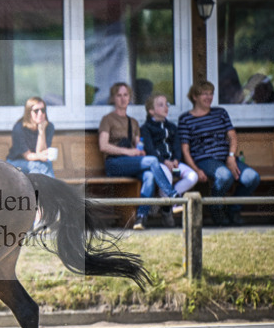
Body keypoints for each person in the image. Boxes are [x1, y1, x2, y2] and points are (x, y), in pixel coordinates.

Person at [98, 82, 182, 230]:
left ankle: (141, 218)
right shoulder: (108, 119)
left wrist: (139, 151)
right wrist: (128, 152)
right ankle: (172, 195)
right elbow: (103, 146)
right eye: (119, 95)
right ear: (113, 99)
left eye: (126, 95)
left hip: (131, 163)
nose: (123, 99)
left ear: (130, 98)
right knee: (152, 160)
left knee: (149, 175)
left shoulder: (133, 122)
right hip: (114, 164)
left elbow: (139, 146)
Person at [178, 80, 260, 226]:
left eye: (211, 94)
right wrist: (196, 170)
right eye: (205, 94)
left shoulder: (220, 113)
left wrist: (231, 157)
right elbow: (185, 149)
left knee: (252, 178)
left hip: (226, 157)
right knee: (224, 176)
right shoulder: (186, 119)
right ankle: (216, 208)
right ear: (195, 97)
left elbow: (232, 136)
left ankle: (233, 209)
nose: (209, 97)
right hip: (205, 160)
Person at [141, 93, 198, 226]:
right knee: (166, 176)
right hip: (159, 164)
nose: (166, 107)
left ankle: (163, 203)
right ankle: (167, 212)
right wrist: (164, 161)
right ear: (151, 111)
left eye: (167, 104)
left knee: (192, 176)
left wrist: (176, 160)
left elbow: (177, 146)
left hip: (173, 162)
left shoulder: (172, 127)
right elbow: (150, 149)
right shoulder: (146, 129)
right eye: (161, 105)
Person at [6, 97, 55, 177]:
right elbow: (27, 156)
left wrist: (41, 131)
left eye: (43, 110)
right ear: (29, 113)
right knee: (40, 165)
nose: (40, 114)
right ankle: (53, 188)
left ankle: (40, 189)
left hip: (36, 162)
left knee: (37, 169)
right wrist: (40, 156)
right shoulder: (19, 128)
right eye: (36, 111)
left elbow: (41, 151)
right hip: (15, 163)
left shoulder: (49, 127)